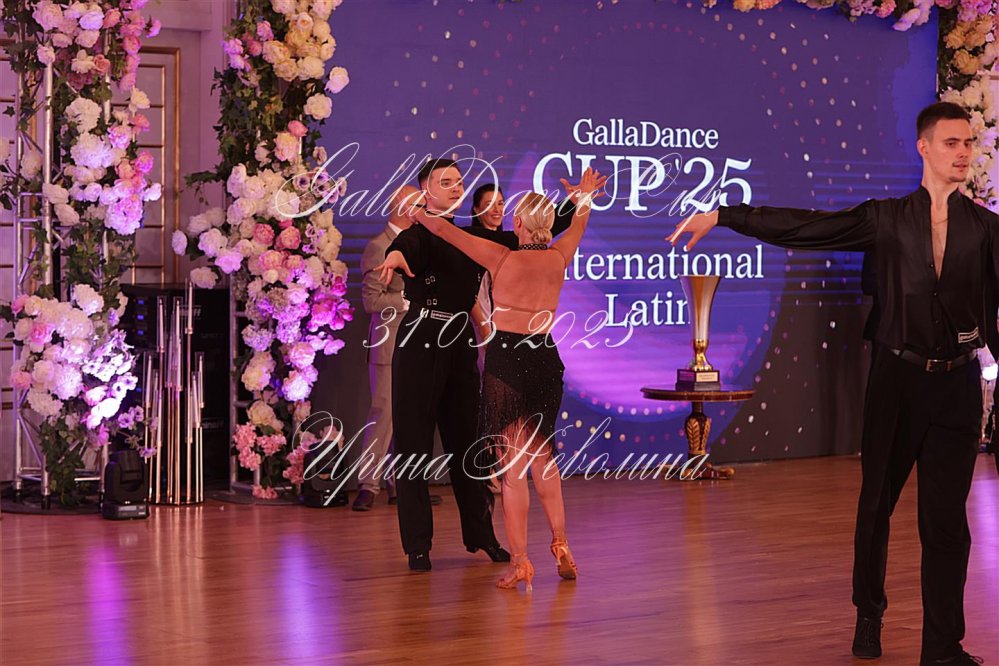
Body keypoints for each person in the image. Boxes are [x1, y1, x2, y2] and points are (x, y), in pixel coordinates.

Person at [669, 102, 996, 666]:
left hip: (957, 386)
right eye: (952, 143)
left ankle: (943, 648)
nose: (963, 153)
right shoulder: (886, 218)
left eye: (968, 143)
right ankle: (869, 612)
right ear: (924, 147)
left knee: (947, 524)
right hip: (897, 379)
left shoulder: (987, 229)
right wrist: (724, 216)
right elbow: (806, 227)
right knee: (876, 507)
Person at [374, 158, 578, 572]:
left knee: (469, 443)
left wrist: (576, 202)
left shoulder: (475, 235)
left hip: (460, 341)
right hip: (420, 341)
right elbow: (408, 245)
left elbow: (539, 228)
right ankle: (418, 545)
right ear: (427, 190)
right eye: (445, 181)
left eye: (459, 181)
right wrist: (394, 256)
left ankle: (482, 535)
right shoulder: (418, 233)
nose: (455, 187)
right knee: (413, 442)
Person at [409, 168, 606, 591]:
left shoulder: (501, 257)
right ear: (546, 224)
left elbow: (446, 232)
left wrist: (418, 209)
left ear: (518, 223)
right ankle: (561, 543)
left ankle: (520, 561)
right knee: (544, 459)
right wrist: (586, 194)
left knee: (513, 470)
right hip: (546, 360)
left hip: (509, 362)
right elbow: (579, 221)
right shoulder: (559, 256)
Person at [354, 185, 441, 512]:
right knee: (384, 416)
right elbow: (371, 301)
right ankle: (368, 484)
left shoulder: (419, 242)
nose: (424, 211)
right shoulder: (379, 247)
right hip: (389, 346)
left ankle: (399, 485)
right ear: (404, 207)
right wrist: (409, 300)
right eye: (419, 205)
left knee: (410, 419)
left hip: (417, 344)